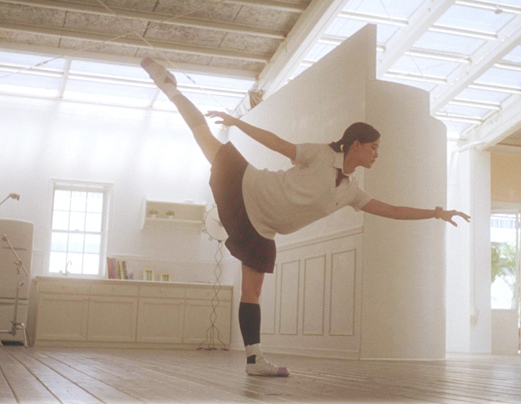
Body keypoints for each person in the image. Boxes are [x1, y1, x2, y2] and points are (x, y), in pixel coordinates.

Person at [140, 57, 471, 377]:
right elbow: (279, 144)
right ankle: (169, 87)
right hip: (248, 185)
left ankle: (254, 359)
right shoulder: (320, 154)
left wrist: (436, 213)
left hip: (263, 228)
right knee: (202, 133)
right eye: (374, 147)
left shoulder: (351, 191)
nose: (377, 154)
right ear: (356, 144)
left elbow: (393, 211)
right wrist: (237, 123)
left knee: (252, 293)